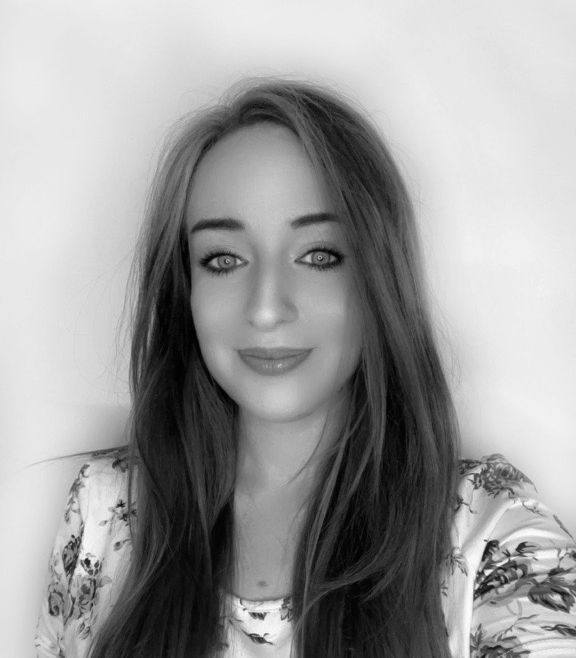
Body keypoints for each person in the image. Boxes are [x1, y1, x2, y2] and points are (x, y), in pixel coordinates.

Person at [35, 78, 576, 658]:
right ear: (183, 288)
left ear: (378, 277)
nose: (266, 308)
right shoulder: (103, 513)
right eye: (223, 259)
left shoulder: (489, 534)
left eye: (319, 255)